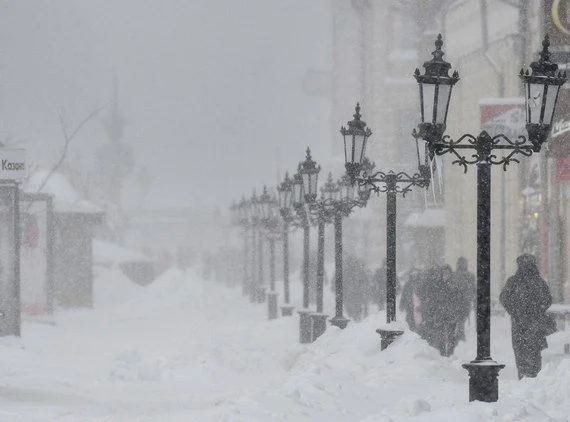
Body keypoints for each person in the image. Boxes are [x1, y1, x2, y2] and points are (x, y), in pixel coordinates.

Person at [499, 254, 554, 379]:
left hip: (525, 322)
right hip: (528, 321)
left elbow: (547, 300)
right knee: (530, 349)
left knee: (524, 349)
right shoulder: (535, 281)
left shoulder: (518, 281)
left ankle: (526, 375)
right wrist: (519, 310)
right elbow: (547, 300)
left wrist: (516, 310)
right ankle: (530, 375)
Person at [454, 257, 476, 341]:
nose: (462, 265)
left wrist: (473, 299)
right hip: (457, 301)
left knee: (461, 319)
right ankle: (459, 335)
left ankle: (459, 334)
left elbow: (473, 289)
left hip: (465, 302)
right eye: (461, 263)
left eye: (464, 263)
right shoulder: (455, 275)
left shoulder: (470, 276)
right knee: (459, 319)